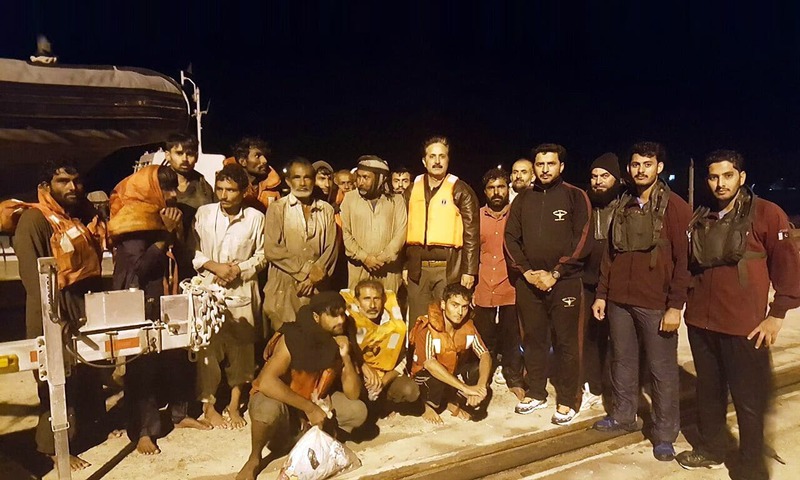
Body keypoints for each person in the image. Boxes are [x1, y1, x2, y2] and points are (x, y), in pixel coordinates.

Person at [675, 150, 800, 479]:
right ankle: (712, 448)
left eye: (727, 176)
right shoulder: (701, 214)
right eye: (714, 177)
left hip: (745, 327)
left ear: (741, 177)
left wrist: (777, 314)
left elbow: (787, 267)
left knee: (749, 401)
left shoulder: (766, 214)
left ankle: (751, 465)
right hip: (701, 324)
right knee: (709, 393)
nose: (719, 183)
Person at [592, 142, 691, 462]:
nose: (640, 170)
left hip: (656, 304)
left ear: (659, 167)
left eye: (647, 164)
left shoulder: (675, 207)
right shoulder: (622, 205)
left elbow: (684, 261)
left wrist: (675, 305)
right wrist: (602, 294)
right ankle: (623, 416)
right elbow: (610, 255)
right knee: (622, 361)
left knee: (662, 371)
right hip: (619, 300)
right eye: (635, 164)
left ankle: (664, 434)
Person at [109, 165, 210, 454]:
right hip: (143, 303)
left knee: (178, 357)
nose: (173, 194)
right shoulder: (132, 221)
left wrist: (173, 234)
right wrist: (163, 235)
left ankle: (180, 414)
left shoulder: (166, 215)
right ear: (150, 190)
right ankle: (144, 431)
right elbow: (137, 269)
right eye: (166, 189)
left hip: (170, 298)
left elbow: (181, 254)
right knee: (143, 367)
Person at [13, 159, 105, 471]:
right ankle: (50, 449)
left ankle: (83, 433)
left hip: (78, 305)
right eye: (63, 181)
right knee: (54, 380)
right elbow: (33, 278)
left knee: (84, 373)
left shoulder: (74, 217)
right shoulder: (35, 220)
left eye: (76, 181)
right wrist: (54, 319)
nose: (72, 188)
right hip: (50, 310)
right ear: (45, 187)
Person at [504, 143, 592, 425]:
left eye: (550, 164)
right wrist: (528, 273)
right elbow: (510, 239)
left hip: (565, 282)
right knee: (533, 339)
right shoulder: (522, 199)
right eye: (539, 164)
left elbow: (582, 239)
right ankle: (537, 392)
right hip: (530, 284)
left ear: (561, 166)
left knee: (568, 343)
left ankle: (569, 400)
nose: (544, 170)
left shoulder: (575, 197)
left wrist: (555, 272)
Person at [237, 292, 367, 480]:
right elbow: (266, 382)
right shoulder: (294, 337)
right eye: (333, 315)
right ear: (316, 317)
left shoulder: (340, 337)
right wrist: (310, 408)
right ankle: (254, 458)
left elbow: (353, 393)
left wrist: (346, 356)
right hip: (285, 402)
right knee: (266, 409)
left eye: (342, 315)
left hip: (314, 399)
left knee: (357, 411)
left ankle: (305, 439)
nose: (340, 320)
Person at [192, 164, 267, 429]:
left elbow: (261, 255)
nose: (224, 195)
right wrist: (215, 267)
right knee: (207, 351)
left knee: (242, 351)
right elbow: (195, 252)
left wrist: (238, 269)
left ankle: (235, 405)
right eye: (220, 189)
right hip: (209, 290)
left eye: (231, 190)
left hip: (241, 291)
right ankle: (209, 406)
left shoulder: (255, 218)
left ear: (243, 191)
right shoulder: (204, 214)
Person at [404, 136, 479, 324]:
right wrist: (404, 265)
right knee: (418, 323)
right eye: (432, 156)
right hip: (417, 270)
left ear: (448, 160)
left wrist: (469, 271)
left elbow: (472, 233)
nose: (437, 161)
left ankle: (447, 354)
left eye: (442, 156)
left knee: (446, 323)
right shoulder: (411, 190)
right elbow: (403, 229)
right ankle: (418, 355)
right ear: (424, 160)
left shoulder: (461, 190)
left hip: (448, 269)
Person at [263, 157, 338, 331]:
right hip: (284, 287)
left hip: (316, 288)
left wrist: (313, 278)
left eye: (307, 178)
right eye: (297, 177)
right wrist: (306, 272)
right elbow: (272, 249)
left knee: (314, 340)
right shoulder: (278, 208)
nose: (302, 183)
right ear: (288, 181)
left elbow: (331, 249)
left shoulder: (325, 209)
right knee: (284, 342)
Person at [473, 168, 525, 400]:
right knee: (484, 336)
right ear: (485, 191)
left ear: (508, 189)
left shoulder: (518, 214)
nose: (497, 192)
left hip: (510, 286)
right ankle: (483, 377)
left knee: (511, 336)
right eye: (492, 188)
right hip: (483, 284)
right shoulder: (475, 216)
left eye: (501, 187)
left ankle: (514, 378)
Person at [409, 283, 492, 424]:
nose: (460, 312)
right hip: (424, 377)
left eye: (464, 307)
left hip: (451, 374)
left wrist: (480, 386)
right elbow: (430, 364)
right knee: (436, 378)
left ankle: (450, 400)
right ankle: (426, 405)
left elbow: (485, 354)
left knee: (477, 369)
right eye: (455, 305)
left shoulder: (468, 327)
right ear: (443, 304)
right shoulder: (429, 327)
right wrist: (465, 388)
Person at [580, 152, 623, 411]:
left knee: (619, 341)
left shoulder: (625, 206)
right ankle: (593, 387)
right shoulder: (585, 204)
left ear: (616, 179)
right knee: (590, 339)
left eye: (604, 176)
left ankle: (617, 389)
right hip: (587, 282)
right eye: (594, 176)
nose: (598, 182)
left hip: (618, 286)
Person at [341, 280, 419, 411]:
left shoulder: (395, 326)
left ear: (383, 300)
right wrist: (363, 366)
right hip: (359, 377)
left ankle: (384, 403)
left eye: (376, 299)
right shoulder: (348, 324)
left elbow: (402, 359)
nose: (372, 305)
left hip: (383, 377)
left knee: (410, 390)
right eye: (366, 299)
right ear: (357, 301)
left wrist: (382, 382)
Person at [340, 155, 407, 292]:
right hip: (359, 270)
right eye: (358, 177)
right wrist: (365, 258)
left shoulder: (397, 200)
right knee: (357, 310)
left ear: (379, 179)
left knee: (388, 310)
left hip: (388, 271)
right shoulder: (349, 198)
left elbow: (401, 233)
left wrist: (382, 257)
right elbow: (346, 233)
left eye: (366, 177)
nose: (360, 182)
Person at [164, 133, 213, 230]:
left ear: (197, 157)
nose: (185, 159)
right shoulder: (158, 183)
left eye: (190, 154)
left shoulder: (203, 186)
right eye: (179, 153)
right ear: (168, 155)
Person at [228, 136, 282, 211]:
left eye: (264, 156)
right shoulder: (227, 185)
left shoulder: (273, 188)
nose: (264, 160)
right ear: (242, 161)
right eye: (257, 156)